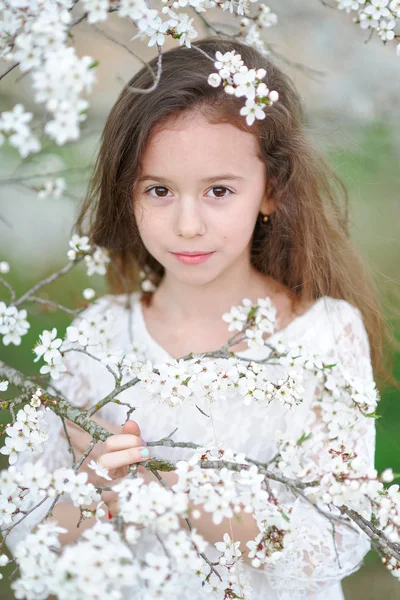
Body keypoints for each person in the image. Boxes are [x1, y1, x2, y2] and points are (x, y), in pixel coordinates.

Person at [4, 36, 397, 600]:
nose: (187, 225)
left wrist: (174, 485)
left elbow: (333, 545)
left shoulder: (324, 335)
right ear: (128, 193)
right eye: (159, 190)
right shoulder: (100, 334)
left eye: (218, 191)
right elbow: (30, 533)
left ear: (271, 191)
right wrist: (92, 484)